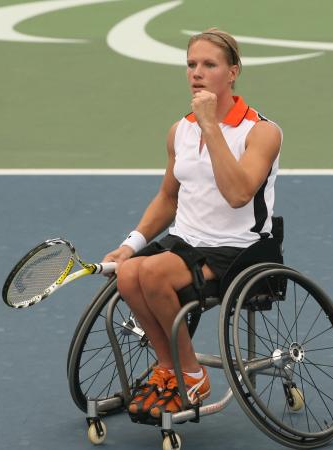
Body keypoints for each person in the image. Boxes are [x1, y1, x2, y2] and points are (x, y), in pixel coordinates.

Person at [102, 27, 282, 420]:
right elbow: (169, 197)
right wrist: (131, 243)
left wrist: (211, 127)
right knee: (129, 273)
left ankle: (193, 375)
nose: (196, 72)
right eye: (191, 64)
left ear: (232, 72)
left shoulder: (262, 132)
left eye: (209, 64)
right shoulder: (179, 131)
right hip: (185, 241)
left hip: (237, 249)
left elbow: (238, 194)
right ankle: (169, 368)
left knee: (150, 274)